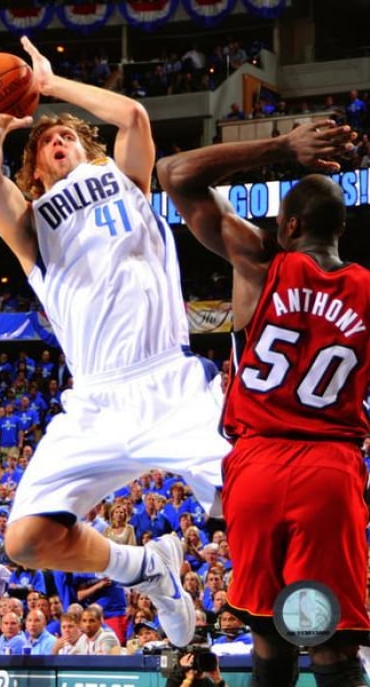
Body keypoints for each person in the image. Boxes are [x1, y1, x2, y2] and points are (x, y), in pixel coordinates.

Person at [0, 35, 230, 651]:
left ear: (87, 147)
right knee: (25, 541)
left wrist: (52, 86)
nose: (57, 142)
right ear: (34, 171)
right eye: (46, 144)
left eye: (67, 137)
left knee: (257, 501)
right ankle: (144, 568)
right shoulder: (32, 225)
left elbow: (133, 117)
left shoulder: (127, 180)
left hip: (170, 383)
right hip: (95, 402)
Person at [157, 120, 370, 686]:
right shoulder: (368, 291)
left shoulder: (258, 262)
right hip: (331, 470)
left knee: (269, 639)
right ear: (341, 229)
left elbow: (173, 173)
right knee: (332, 642)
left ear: (289, 225)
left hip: (257, 467)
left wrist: (281, 148)